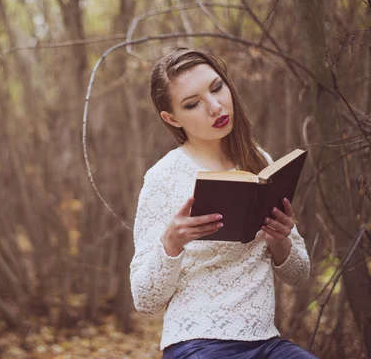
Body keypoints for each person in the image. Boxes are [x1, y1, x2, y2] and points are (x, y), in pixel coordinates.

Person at [129, 48, 318, 359]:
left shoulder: (260, 162)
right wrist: (171, 242)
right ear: (172, 118)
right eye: (193, 104)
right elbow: (145, 300)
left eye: (217, 88)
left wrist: (281, 240)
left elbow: (299, 274)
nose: (215, 107)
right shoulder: (163, 177)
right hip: (198, 343)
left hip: (267, 343)